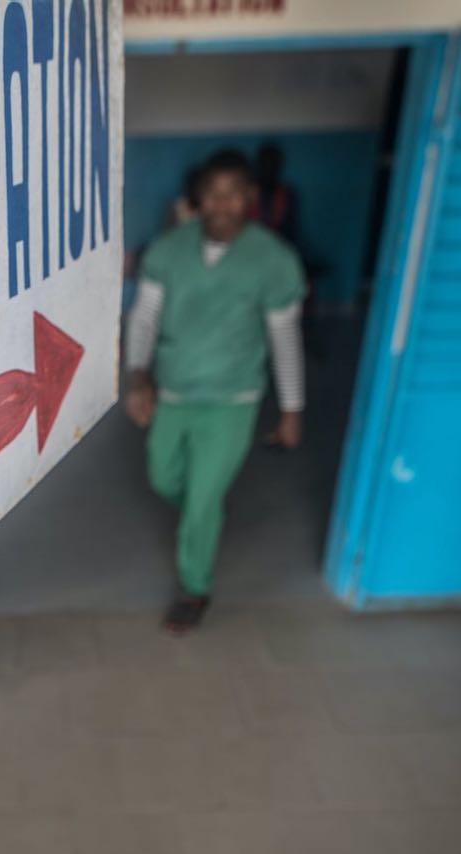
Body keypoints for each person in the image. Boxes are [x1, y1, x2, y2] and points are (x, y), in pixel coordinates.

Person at [124, 148, 306, 633]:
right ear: (198, 199)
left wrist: (292, 409)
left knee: (200, 503)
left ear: (249, 198)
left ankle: (194, 587)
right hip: (175, 393)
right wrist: (137, 375)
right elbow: (143, 316)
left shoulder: (272, 260)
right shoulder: (168, 250)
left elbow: (284, 338)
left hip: (233, 400)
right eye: (212, 194)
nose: (221, 204)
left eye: (232, 194)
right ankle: (205, 508)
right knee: (163, 477)